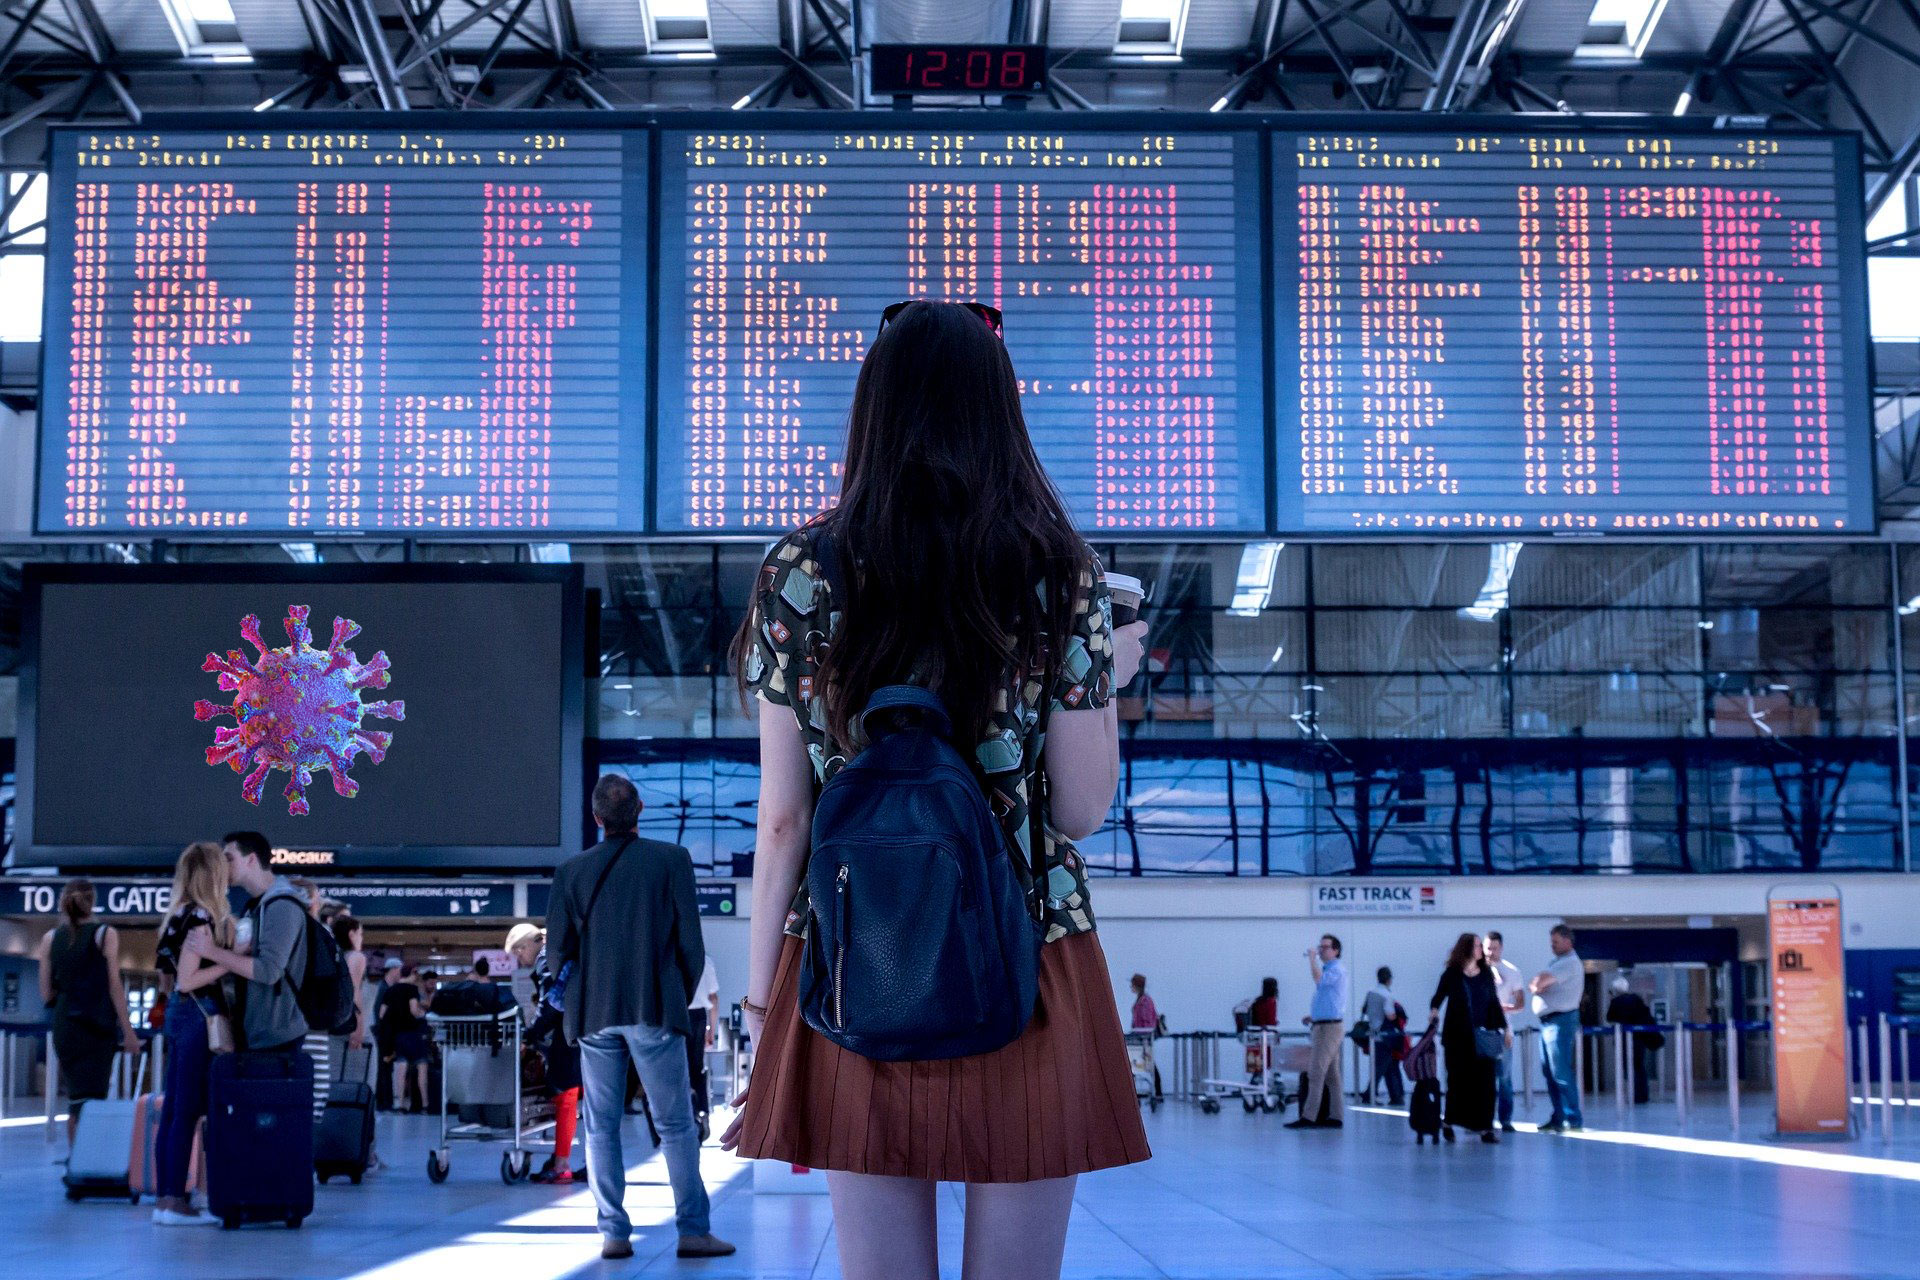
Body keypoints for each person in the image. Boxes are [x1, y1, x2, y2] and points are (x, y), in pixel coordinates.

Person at [722, 300, 1153, 1280]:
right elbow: (1080, 810)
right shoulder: (1059, 573)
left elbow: (785, 815)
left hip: (852, 953)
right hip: (1030, 952)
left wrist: (760, 1001)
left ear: (871, 410)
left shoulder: (801, 569)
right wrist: (1100, 682)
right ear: (1000, 412)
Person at [549, 774, 731, 1262]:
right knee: (675, 1124)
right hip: (654, 1006)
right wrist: (675, 993)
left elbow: (555, 954)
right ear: (641, 809)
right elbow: (692, 945)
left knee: (601, 1125)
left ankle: (613, 1234)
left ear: (596, 817)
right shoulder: (671, 860)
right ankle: (693, 1230)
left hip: (593, 1014)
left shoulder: (571, 871)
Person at [151, 842, 234, 1225]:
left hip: (177, 1017)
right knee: (186, 1112)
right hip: (199, 1017)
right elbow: (187, 980)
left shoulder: (174, 917)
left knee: (171, 1110)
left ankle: (165, 1197)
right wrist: (230, 962)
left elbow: (169, 980)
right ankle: (174, 1201)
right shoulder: (201, 917)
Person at [183, 832, 309, 1056]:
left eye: (229, 858)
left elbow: (269, 971)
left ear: (251, 859)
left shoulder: (281, 906)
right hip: (258, 1033)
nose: (223, 866)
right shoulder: (256, 906)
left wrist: (210, 951)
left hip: (275, 1037)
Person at [37, 878, 142, 1142]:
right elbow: (114, 986)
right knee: (93, 1097)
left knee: (76, 1097)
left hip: (65, 1026)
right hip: (96, 1026)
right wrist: (128, 1032)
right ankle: (87, 1161)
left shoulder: (50, 938)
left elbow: (46, 992)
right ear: (92, 901)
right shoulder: (104, 934)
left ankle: (76, 1160)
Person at [506, 923, 580, 1184]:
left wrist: (531, 1033)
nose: (519, 961)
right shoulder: (562, 951)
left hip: (568, 1034)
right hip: (584, 1029)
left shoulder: (545, 958)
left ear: (525, 946)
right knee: (585, 1100)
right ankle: (575, 1159)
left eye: (517, 954)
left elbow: (552, 1001)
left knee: (566, 1095)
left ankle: (561, 1164)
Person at [1428, 932, 1507, 1144]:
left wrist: (1504, 1028)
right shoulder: (1452, 973)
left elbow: (1494, 1002)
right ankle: (1449, 1121)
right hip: (1457, 1037)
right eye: (1477, 946)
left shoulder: (1486, 973)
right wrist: (1434, 1011)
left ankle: (1485, 1127)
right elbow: (1438, 996)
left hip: (1483, 1036)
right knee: (1457, 1082)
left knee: (1486, 1082)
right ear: (1467, 949)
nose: (1481, 950)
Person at [1286, 933, 1350, 1130]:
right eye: (1320, 947)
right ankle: (1336, 1116)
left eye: (1325, 947)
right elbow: (1331, 1000)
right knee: (1332, 1075)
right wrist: (1314, 1017)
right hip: (1323, 1025)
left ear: (1336, 950)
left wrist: (1312, 959)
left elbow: (1318, 980)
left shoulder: (1336, 969)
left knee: (1315, 1071)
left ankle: (1309, 1117)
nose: (1321, 950)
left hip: (1329, 1029)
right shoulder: (1329, 970)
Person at [1530, 923, 1585, 1133]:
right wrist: (1538, 983)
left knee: (1560, 1071)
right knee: (1550, 1073)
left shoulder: (1569, 963)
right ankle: (1558, 1116)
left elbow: (1539, 982)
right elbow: (1536, 982)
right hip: (1548, 1023)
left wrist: (1539, 985)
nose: (1551, 945)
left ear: (1567, 942)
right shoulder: (1557, 962)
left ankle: (1573, 1118)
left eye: (1555, 942)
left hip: (1560, 1022)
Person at [1484, 931, 1528, 1133]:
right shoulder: (1476, 971)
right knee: (1482, 1078)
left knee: (1504, 1078)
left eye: (1494, 948)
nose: (1490, 952)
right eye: (1487, 948)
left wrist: (1502, 1009)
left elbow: (1520, 1003)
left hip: (1502, 1031)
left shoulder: (1512, 972)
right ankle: (1481, 1118)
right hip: (1481, 1031)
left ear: (1501, 947)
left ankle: (1505, 1119)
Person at [378, 964, 432, 1113]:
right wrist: (423, 1014)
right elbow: (414, 1010)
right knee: (422, 1068)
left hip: (398, 1035)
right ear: (413, 974)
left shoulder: (390, 990)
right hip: (414, 1034)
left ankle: (400, 1104)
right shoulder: (412, 989)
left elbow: (382, 1014)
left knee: (401, 1070)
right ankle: (425, 1105)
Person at [1606, 976, 1660, 1105]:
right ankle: (1642, 1095)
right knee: (1639, 1066)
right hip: (1640, 1038)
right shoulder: (1636, 1000)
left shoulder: (1616, 1002)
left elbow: (1609, 1017)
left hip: (1623, 1040)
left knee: (1628, 1067)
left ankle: (1633, 1094)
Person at [1361, 967, 1405, 1106]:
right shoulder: (1387, 995)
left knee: (1388, 1065)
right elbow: (1390, 1015)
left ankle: (1396, 1096)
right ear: (1389, 979)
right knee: (1381, 1067)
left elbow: (1364, 1010)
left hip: (1373, 1033)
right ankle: (1369, 1094)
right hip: (1385, 1035)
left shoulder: (1371, 993)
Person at [687, 955, 719, 1139]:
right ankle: (702, 1112)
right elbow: (713, 998)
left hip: (675, 1016)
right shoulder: (705, 961)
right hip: (698, 1018)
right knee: (697, 1069)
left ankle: (685, 1116)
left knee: (676, 1069)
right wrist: (711, 1030)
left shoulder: (669, 956)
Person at [1130, 974, 1163, 1101]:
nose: (1130, 987)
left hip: (1144, 1037)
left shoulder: (1145, 1001)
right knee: (1144, 1062)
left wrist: (1142, 1033)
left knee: (1148, 1062)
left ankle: (1158, 1091)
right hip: (1140, 1037)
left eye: (1132, 985)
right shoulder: (1140, 1000)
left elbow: (1148, 1021)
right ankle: (1155, 1091)